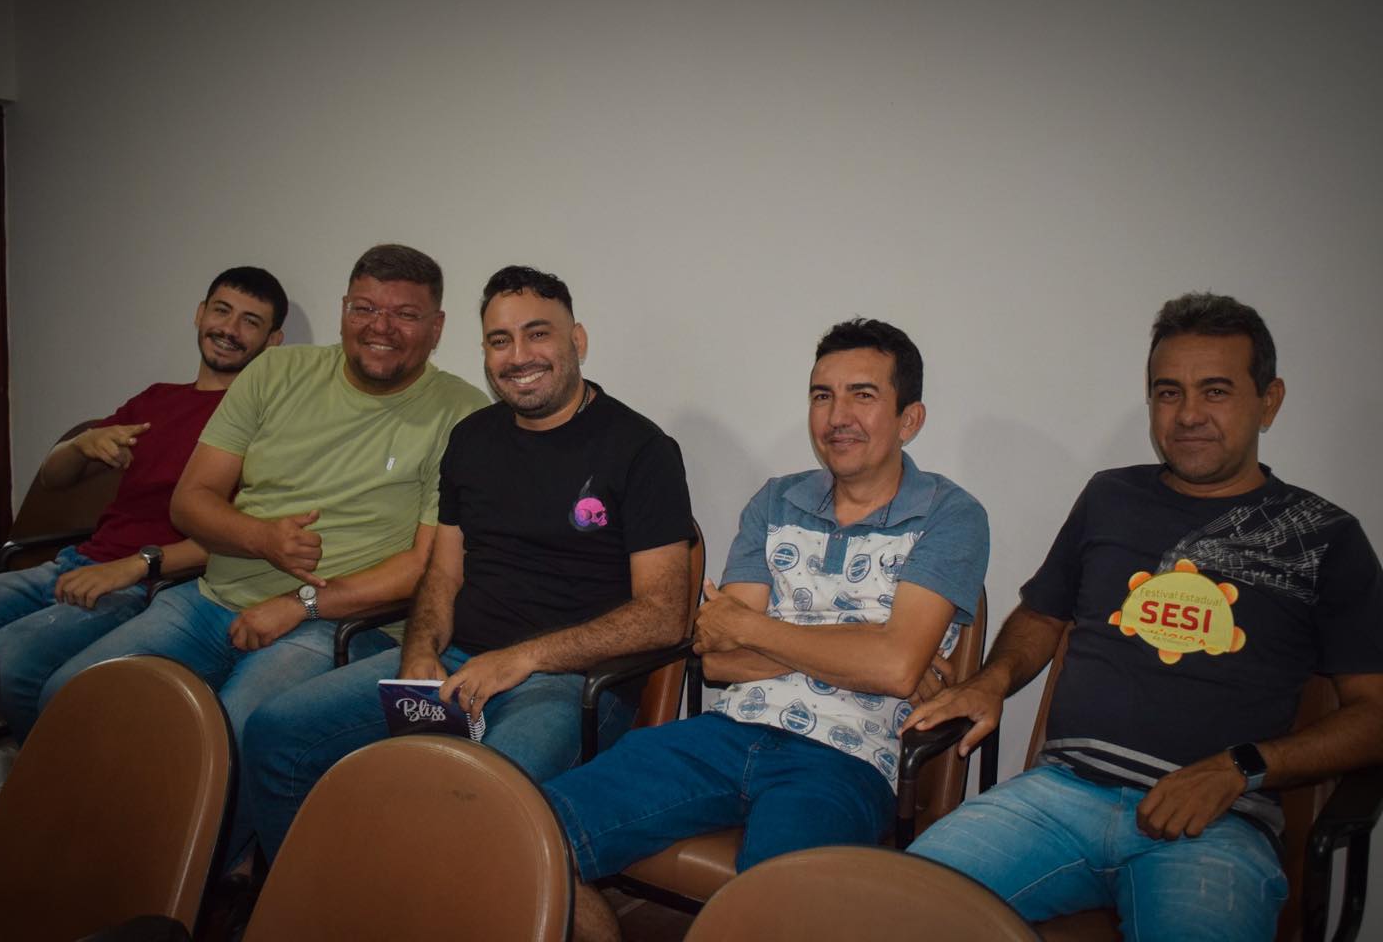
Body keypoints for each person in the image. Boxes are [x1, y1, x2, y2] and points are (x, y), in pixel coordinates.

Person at [905, 294, 1383, 942]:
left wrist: (1240, 767)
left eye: (1215, 391)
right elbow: (1042, 615)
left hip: (1216, 824)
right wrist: (991, 681)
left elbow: (1374, 715)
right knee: (891, 905)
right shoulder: (1110, 496)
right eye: (1168, 392)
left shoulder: (1323, 535)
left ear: (1269, 401)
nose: (1188, 414)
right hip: (1057, 798)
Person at [543, 318, 989, 942]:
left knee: (774, 912)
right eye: (822, 395)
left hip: (847, 760)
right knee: (532, 831)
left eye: (862, 395)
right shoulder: (776, 501)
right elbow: (720, 660)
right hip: (728, 730)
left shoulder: (951, 516)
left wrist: (760, 629)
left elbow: (892, 668)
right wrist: (862, 642)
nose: (837, 416)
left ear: (909, 418)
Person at [243, 264, 695, 861]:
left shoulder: (641, 450)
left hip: (571, 686)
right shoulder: (472, 438)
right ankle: (319, 899)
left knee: (469, 795)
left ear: (577, 340)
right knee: (276, 733)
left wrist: (522, 658)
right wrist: (420, 651)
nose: (519, 356)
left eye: (538, 333)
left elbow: (664, 615)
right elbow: (444, 572)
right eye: (500, 340)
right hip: (457, 666)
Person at [39, 244, 488, 738]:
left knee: (229, 735)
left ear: (436, 328)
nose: (380, 327)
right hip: (208, 599)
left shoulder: (460, 412)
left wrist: (300, 603)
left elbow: (427, 564)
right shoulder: (275, 371)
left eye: (405, 314)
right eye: (364, 308)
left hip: (335, 623)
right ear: (344, 310)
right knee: (71, 695)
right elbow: (191, 500)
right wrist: (264, 539)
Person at [0, 266, 287, 739]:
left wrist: (134, 567)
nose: (229, 329)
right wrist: (81, 445)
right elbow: (55, 478)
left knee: (9, 662)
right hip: (75, 561)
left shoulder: (264, 424)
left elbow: (244, 537)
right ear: (199, 314)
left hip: (147, 585)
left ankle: (50, 774)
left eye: (250, 321)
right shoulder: (157, 399)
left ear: (273, 341)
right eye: (222, 311)